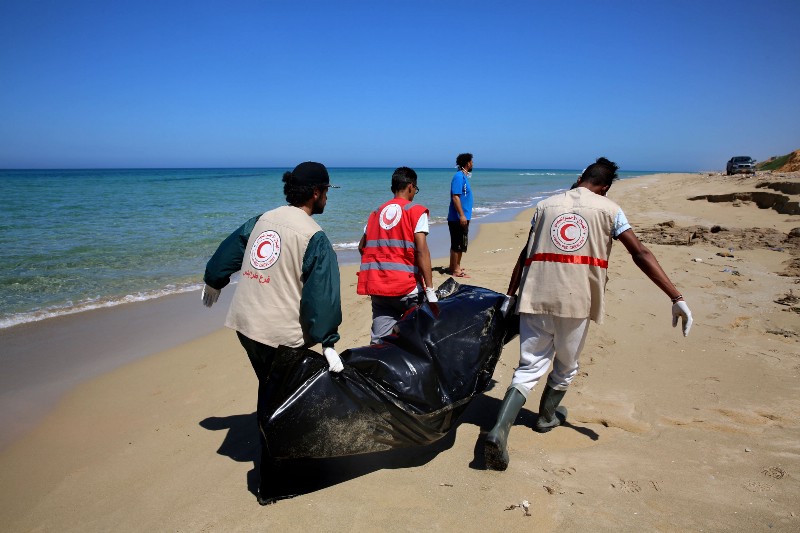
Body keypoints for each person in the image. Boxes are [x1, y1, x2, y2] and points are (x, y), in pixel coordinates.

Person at [484, 157, 693, 471]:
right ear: (605, 187)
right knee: (566, 366)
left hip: (535, 295)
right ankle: (546, 417)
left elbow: (525, 255)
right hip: (577, 301)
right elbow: (640, 253)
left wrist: (510, 296)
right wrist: (675, 296)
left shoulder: (544, 206)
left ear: (580, 177)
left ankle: (500, 430)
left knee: (529, 367)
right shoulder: (611, 210)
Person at [200, 161, 344, 504]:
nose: (327, 197)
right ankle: (272, 482)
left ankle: (286, 463)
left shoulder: (263, 219)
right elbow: (320, 298)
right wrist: (328, 341)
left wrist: (214, 280)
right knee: (281, 402)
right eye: (327, 191)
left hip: (246, 325)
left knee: (272, 387)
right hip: (278, 334)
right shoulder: (314, 236)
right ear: (315, 193)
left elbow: (228, 251)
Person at [357, 166, 437, 343]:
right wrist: (430, 291)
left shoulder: (375, 214)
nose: (415, 192)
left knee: (380, 342)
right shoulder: (415, 211)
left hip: (379, 290)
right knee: (419, 338)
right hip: (407, 289)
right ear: (410, 187)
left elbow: (362, 246)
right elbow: (421, 250)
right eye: (416, 189)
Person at [447, 153, 474, 277]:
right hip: (458, 218)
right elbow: (456, 197)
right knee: (459, 244)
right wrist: (462, 215)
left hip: (461, 216)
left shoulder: (463, 177)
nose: (473, 164)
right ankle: (456, 270)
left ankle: (453, 266)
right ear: (468, 163)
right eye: (472, 161)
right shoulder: (458, 177)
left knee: (458, 243)